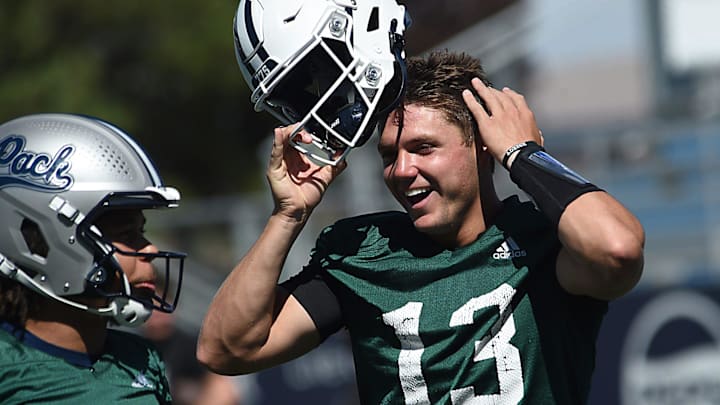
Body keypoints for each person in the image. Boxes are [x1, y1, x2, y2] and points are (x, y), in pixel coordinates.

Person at [197, 50, 645, 404]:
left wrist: (524, 153)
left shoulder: (547, 242)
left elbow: (618, 249)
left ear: (484, 147)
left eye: (424, 147)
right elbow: (226, 349)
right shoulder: (367, 253)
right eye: (390, 154)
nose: (401, 170)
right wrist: (288, 215)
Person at [0, 113, 186, 403]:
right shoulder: (8, 366)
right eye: (126, 233)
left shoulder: (140, 358)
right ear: (39, 237)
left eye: (142, 231)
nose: (149, 249)